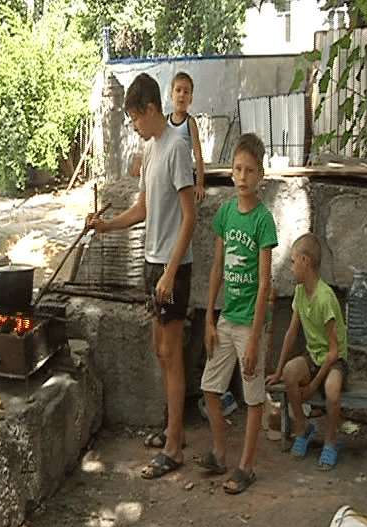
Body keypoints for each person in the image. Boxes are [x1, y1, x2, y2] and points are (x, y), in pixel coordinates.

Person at [86, 72, 196, 480]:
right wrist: (105, 226)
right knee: (160, 350)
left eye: (135, 117)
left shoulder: (177, 150)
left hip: (173, 268)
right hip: (153, 264)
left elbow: (190, 217)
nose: (133, 125)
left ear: (151, 110)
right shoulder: (151, 150)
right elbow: (143, 210)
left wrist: (169, 272)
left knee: (172, 353)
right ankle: (174, 430)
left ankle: (174, 447)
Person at [195, 133, 277, 494]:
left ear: (260, 175)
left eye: (250, 170)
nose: (242, 177)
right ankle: (220, 453)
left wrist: (256, 339)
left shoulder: (263, 220)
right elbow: (216, 269)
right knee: (210, 388)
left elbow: (264, 284)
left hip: (250, 324)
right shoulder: (226, 213)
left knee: (253, 396)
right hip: (227, 318)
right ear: (231, 172)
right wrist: (210, 319)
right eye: (237, 169)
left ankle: (246, 466)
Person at [265, 233, 349, 471]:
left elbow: (334, 352)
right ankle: (302, 428)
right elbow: (292, 333)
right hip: (313, 356)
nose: (291, 268)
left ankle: (331, 442)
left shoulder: (325, 297)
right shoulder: (301, 292)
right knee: (292, 372)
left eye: (293, 262)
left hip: (334, 361)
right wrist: (279, 371)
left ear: (305, 261)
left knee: (332, 391)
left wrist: (313, 386)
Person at [167, 71, 205, 202]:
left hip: (184, 178)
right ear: (171, 94)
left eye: (186, 92)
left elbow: (198, 156)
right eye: (178, 90)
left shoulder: (190, 123)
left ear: (191, 99)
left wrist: (199, 184)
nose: (181, 95)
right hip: (167, 177)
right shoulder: (165, 122)